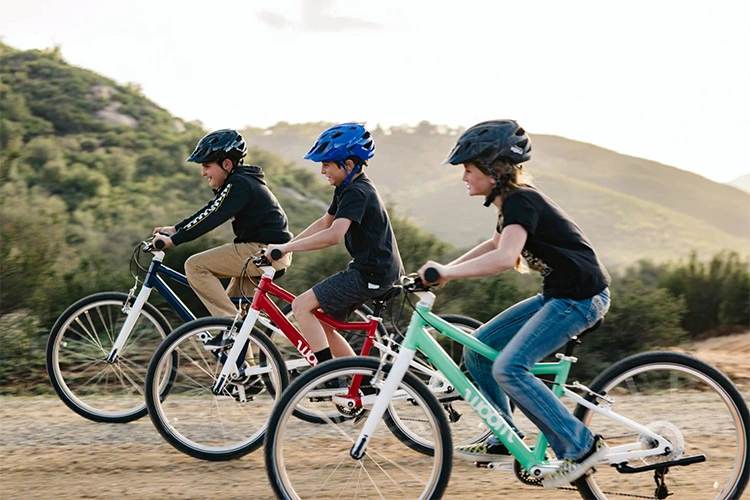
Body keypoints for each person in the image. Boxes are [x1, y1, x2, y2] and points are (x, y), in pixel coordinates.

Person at [417, 119, 611, 488]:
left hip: (581, 298)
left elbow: (505, 258)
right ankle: (503, 437)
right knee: (478, 352)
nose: (464, 178)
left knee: (509, 368)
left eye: (469, 169)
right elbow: (493, 245)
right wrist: (445, 271)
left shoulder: (522, 200)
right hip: (559, 294)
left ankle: (580, 446)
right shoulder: (511, 203)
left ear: (494, 169)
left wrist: (448, 272)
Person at [267, 123, 403, 365]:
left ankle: (326, 375)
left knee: (301, 306)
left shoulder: (356, 192)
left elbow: (333, 235)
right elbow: (325, 222)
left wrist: (286, 249)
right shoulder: (346, 187)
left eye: (327, 164)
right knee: (322, 324)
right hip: (373, 270)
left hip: (370, 273)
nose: (322, 171)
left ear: (348, 164)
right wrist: (286, 246)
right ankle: (358, 381)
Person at [152, 129, 293, 318]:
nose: (203, 173)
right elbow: (210, 209)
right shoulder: (241, 182)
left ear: (226, 164)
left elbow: (214, 216)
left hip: (263, 250)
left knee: (195, 266)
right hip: (267, 251)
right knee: (239, 313)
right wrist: (176, 228)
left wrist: (175, 239)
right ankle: (237, 340)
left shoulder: (240, 183)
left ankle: (229, 329)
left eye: (207, 166)